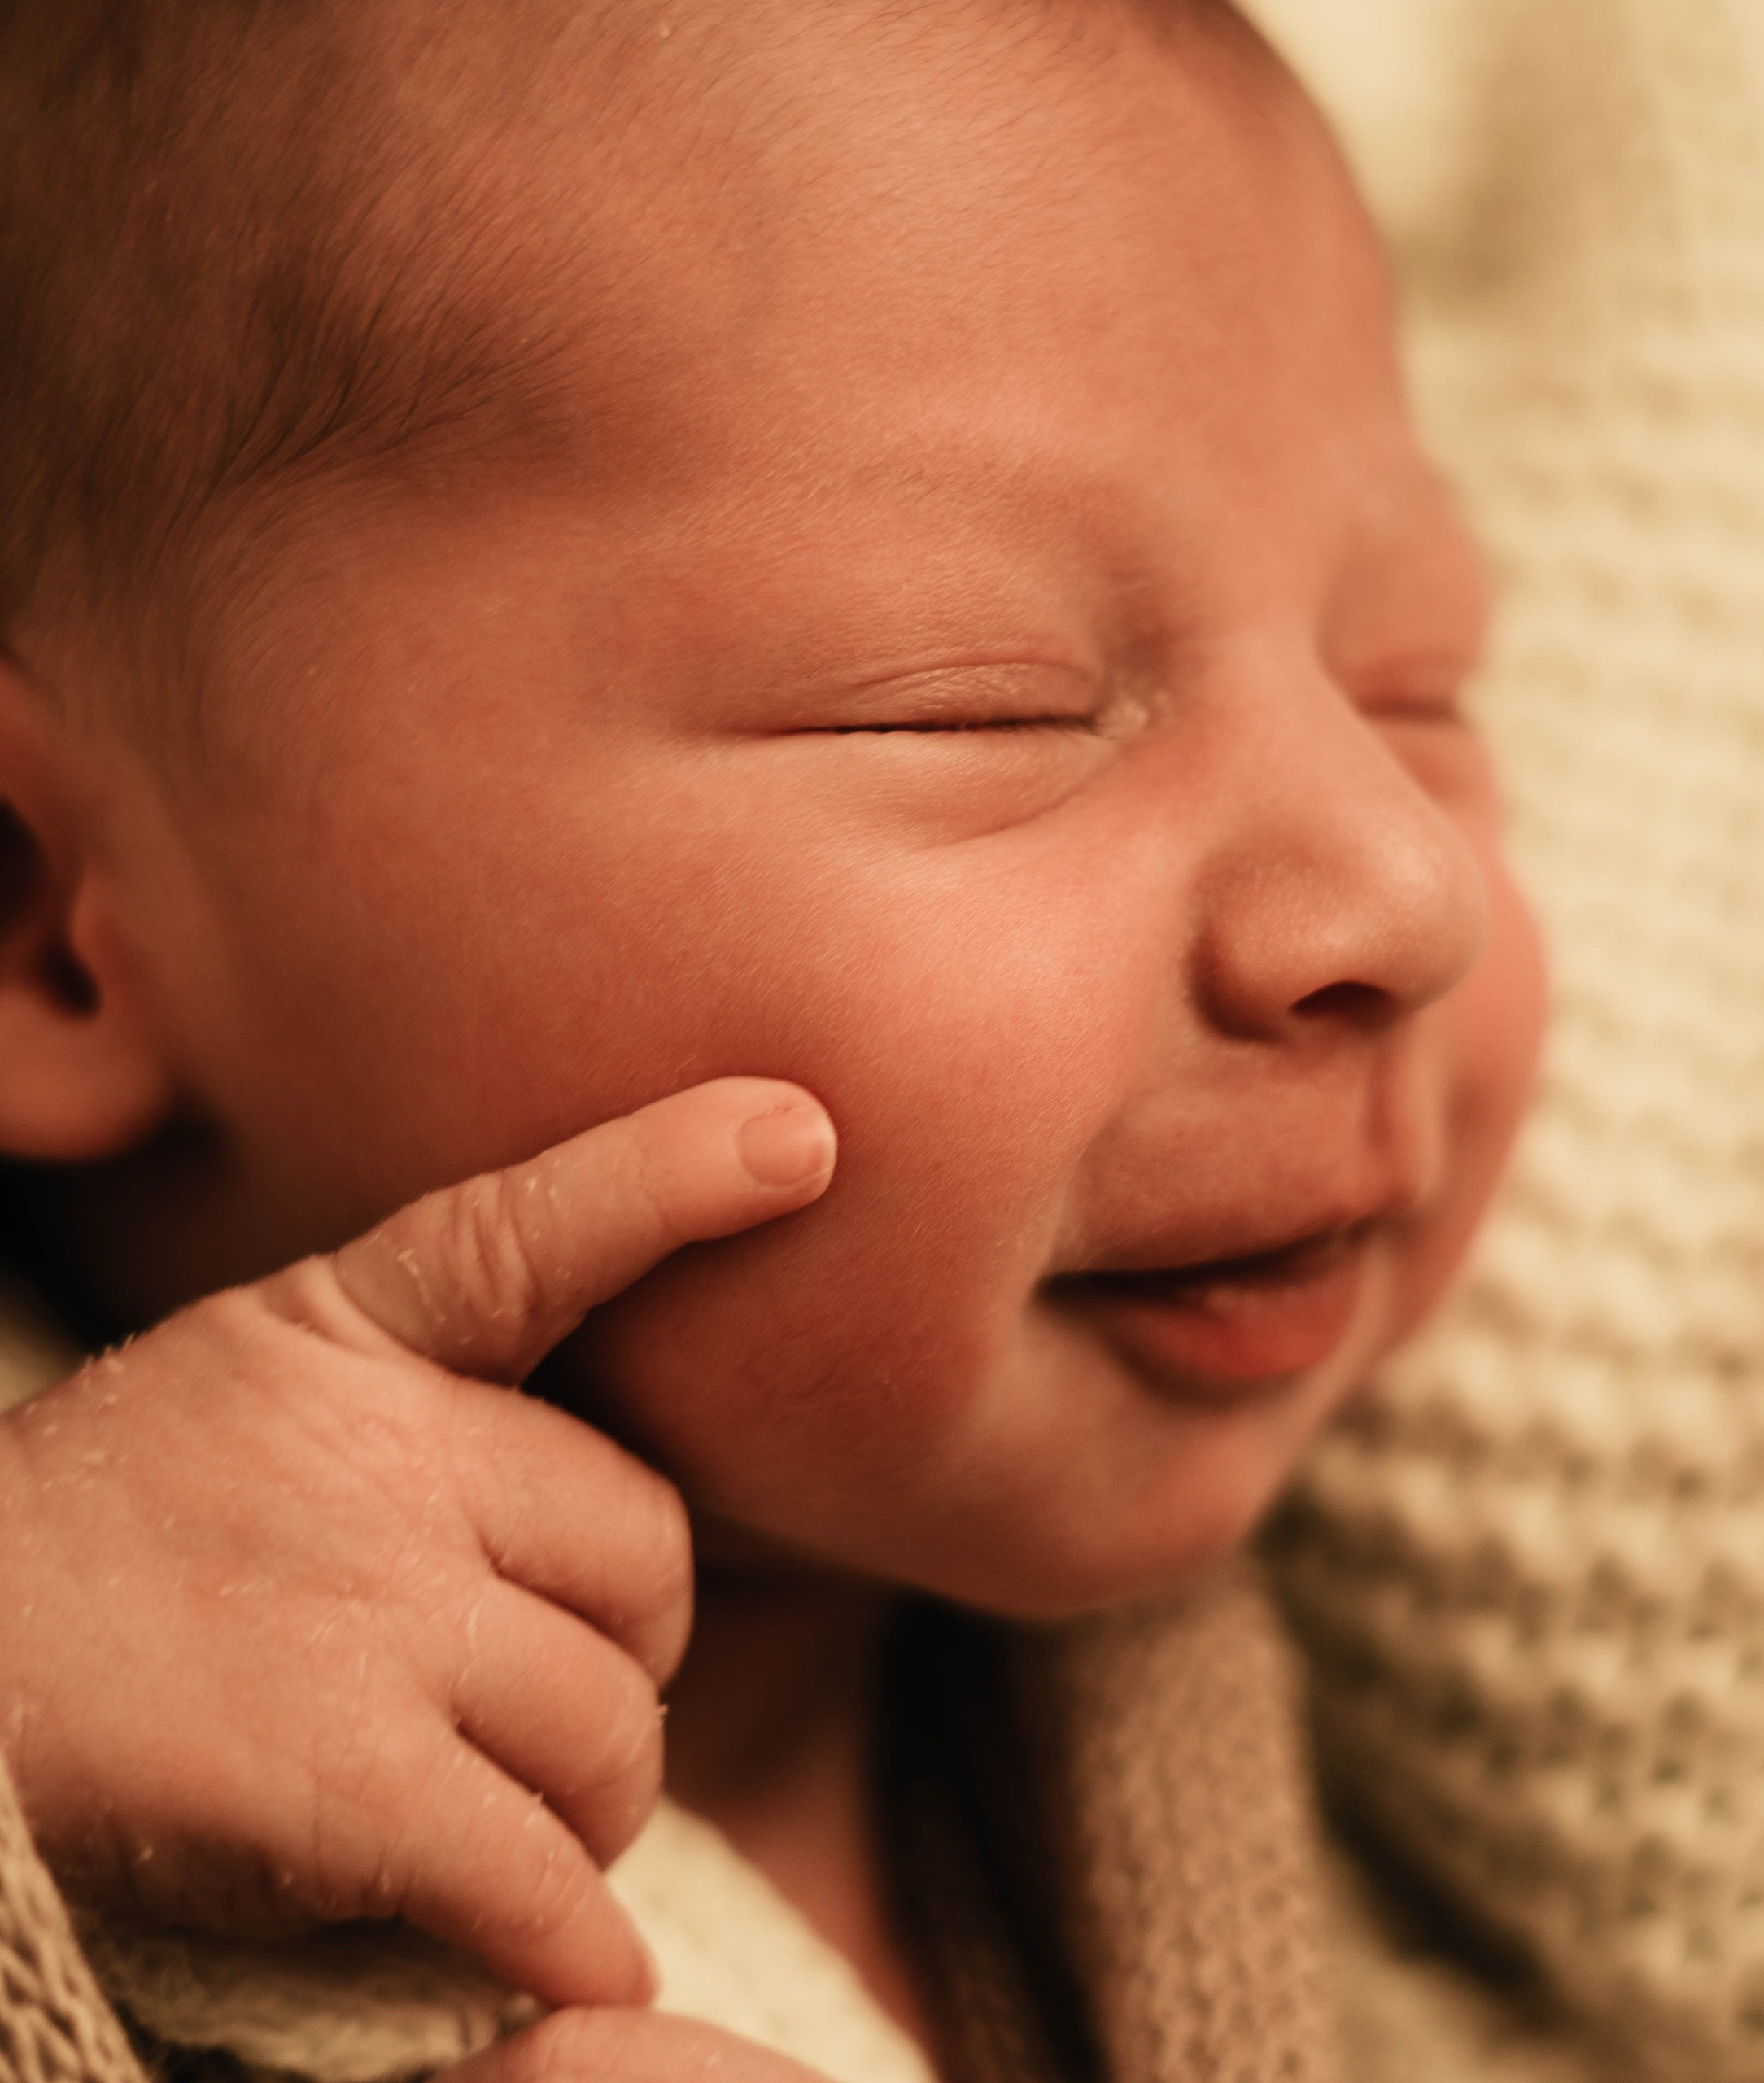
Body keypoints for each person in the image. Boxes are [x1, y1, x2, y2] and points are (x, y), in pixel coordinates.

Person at [0, 2, 1545, 2080]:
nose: (1402, 888)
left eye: (1416, 686)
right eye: (984, 701)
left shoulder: (1384, 1797)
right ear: (41, 926)